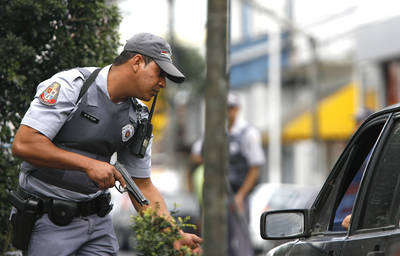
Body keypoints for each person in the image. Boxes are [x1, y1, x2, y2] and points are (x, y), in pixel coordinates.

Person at [10, 33, 202, 255]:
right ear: (137, 62)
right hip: (50, 219)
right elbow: (24, 144)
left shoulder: (138, 117)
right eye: (160, 74)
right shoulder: (72, 87)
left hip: (97, 223)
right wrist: (88, 165)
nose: (163, 84)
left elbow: (142, 185)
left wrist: (173, 234)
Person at [191, 93, 265, 256]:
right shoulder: (214, 131)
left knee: (240, 242)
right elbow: (196, 154)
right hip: (215, 196)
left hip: (237, 195)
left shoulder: (248, 133)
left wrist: (240, 195)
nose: (227, 112)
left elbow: (255, 167)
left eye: (230, 108)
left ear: (237, 109)